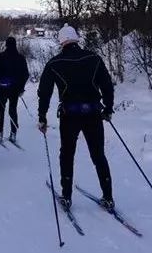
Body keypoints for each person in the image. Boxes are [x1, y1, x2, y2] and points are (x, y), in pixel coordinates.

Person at [37, 24, 115, 211]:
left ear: (61, 41)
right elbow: (107, 85)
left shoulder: (54, 63)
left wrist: (42, 116)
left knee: (67, 153)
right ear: (76, 39)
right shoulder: (94, 58)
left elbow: (44, 92)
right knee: (98, 155)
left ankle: (67, 196)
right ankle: (108, 196)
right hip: (93, 113)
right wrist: (109, 108)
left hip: (70, 115)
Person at [0, 37, 29, 143]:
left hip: (3, 87)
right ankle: (13, 133)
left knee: (0, 110)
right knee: (13, 110)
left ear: (6, 45)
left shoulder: (1, 56)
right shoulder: (21, 58)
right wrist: (21, 88)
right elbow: (25, 74)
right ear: (15, 45)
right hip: (15, 89)